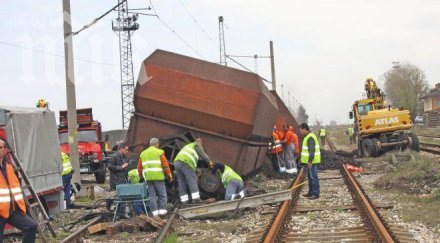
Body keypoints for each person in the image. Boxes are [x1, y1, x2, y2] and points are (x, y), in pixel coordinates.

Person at [0, 139, 37, 243]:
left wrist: (20, 206)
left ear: (4, 150)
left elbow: (15, 188)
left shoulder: (8, 168)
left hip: (11, 209)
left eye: (0, 147)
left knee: (31, 227)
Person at [138, 138, 172, 216]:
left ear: (150, 144)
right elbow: (165, 165)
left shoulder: (143, 153)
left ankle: (155, 213)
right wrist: (169, 175)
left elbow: (139, 167)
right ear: (157, 144)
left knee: (152, 196)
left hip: (148, 178)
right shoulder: (159, 152)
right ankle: (162, 213)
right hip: (158, 177)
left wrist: (141, 176)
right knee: (162, 195)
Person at [173, 138, 213, 205]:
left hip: (177, 163)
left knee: (182, 183)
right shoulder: (196, 145)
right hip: (185, 162)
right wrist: (210, 162)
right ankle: (196, 199)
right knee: (192, 180)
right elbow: (204, 155)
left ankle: (184, 202)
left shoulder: (188, 146)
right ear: (200, 142)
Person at [299, 123, 321, 200]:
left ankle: (315, 194)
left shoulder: (310, 137)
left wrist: (310, 161)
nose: (300, 132)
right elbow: (306, 151)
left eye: (301, 130)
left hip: (312, 162)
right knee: (310, 177)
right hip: (310, 161)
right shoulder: (307, 137)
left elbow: (311, 150)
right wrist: (302, 159)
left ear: (304, 129)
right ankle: (311, 193)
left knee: (313, 177)